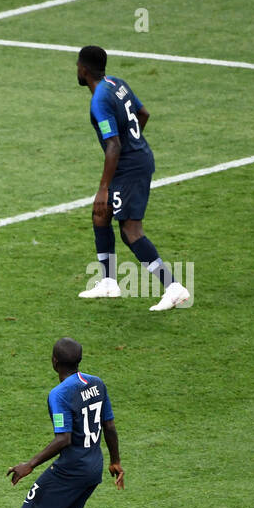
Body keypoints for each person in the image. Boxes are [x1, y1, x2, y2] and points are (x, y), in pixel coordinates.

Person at [6, 338, 123, 508]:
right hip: (93, 466)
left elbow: (64, 439)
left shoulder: (59, 394)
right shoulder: (96, 383)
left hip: (72, 468)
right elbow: (110, 426)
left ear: (54, 361)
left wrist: (29, 465)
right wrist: (115, 461)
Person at [75, 45, 191, 311]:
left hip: (129, 167)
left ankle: (173, 287)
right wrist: (134, 141)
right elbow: (143, 114)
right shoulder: (116, 83)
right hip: (134, 160)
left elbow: (113, 144)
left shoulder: (99, 100)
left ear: (84, 69)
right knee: (100, 215)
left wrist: (104, 188)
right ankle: (107, 282)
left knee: (130, 230)